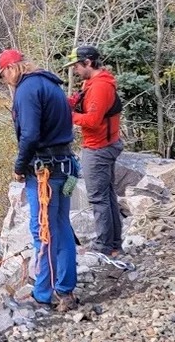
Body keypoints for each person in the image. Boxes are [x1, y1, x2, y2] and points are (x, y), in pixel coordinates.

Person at [0, 48, 78, 312]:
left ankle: (42, 293)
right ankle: (65, 289)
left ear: (11, 69)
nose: (4, 81)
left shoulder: (27, 90)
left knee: (43, 231)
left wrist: (19, 167)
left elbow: (29, 135)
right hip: (65, 166)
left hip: (45, 172)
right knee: (62, 227)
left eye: (2, 76)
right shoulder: (51, 84)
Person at [64, 45, 123, 258]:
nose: (75, 71)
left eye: (77, 66)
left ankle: (103, 247)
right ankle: (114, 244)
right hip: (104, 145)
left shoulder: (99, 87)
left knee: (98, 198)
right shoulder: (93, 83)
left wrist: (67, 115)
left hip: (98, 148)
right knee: (107, 195)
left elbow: (92, 121)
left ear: (88, 63)